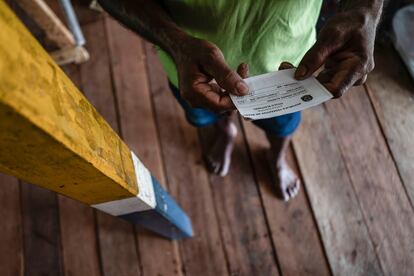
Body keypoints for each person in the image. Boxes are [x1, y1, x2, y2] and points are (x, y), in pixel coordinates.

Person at [98, 0, 383, 201]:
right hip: (188, 65)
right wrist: (174, 41)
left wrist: (365, 8)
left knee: (282, 125)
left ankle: (276, 157)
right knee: (204, 116)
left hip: (287, 67)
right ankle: (226, 133)